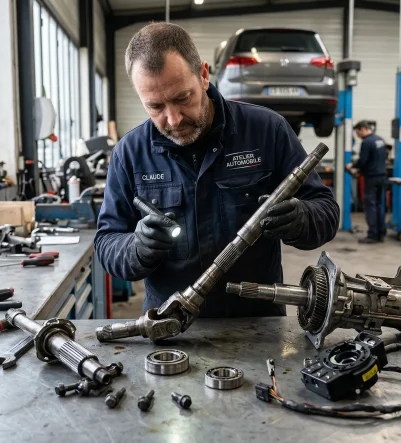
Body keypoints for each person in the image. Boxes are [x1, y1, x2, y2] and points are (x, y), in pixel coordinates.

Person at [94, 23, 339, 318]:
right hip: (168, 325)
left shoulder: (266, 131)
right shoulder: (130, 153)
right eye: (155, 106)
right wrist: (135, 248)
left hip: (257, 326)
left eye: (182, 98)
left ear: (204, 75)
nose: (173, 119)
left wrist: (300, 218)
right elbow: (107, 242)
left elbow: (326, 211)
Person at [348, 121, 388, 244]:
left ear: (363, 129)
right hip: (382, 175)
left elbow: (363, 161)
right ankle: (381, 232)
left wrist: (352, 166)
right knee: (379, 205)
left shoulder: (367, 142)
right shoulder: (380, 140)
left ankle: (373, 235)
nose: (358, 135)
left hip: (371, 177)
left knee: (370, 206)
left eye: (357, 132)